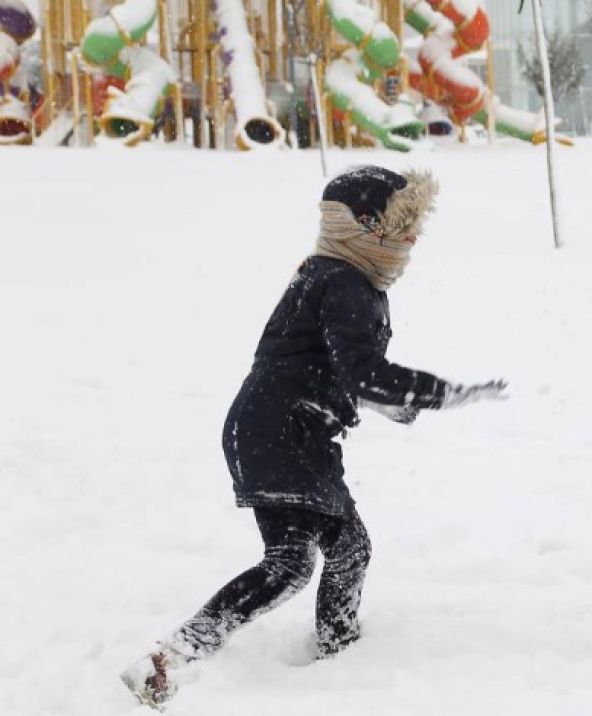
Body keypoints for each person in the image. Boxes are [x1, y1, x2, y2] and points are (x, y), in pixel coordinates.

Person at [121, 165, 507, 707]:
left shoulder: (340, 277)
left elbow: (332, 367)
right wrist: (439, 392)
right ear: (370, 226)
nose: (415, 238)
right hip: (280, 432)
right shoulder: (342, 280)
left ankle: (334, 651)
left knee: (344, 550)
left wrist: (378, 400)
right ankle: (180, 656)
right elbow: (362, 370)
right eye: (406, 224)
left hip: (287, 430)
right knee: (296, 561)